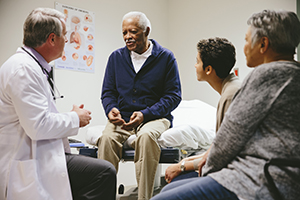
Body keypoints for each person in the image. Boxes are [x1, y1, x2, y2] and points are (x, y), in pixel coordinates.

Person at [151, 9, 300, 200]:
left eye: (247, 40)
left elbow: (226, 144)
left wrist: (198, 171)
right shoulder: (293, 75)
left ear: (263, 44)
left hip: (259, 180)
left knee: (161, 197)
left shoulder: (265, 76)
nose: (244, 47)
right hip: (281, 178)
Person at [0, 8, 116, 200]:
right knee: (103, 173)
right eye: (65, 35)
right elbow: (37, 126)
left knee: (98, 173)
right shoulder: (23, 69)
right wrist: (75, 119)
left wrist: (69, 116)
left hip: (40, 156)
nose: (68, 40)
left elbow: (36, 116)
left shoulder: (31, 66)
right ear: (52, 39)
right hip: (27, 163)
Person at [97, 11, 181, 200]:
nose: (128, 37)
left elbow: (173, 96)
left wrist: (145, 114)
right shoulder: (116, 58)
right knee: (106, 140)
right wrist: (111, 109)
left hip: (155, 117)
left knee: (145, 137)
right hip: (123, 118)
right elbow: (108, 93)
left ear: (146, 31)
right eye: (124, 33)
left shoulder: (166, 58)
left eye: (133, 32)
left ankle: (144, 198)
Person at [164, 37, 241, 183]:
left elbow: (221, 154)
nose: (195, 65)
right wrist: (182, 163)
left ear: (208, 69)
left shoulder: (230, 96)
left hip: (231, 177)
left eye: (197, 61)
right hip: (227, 169)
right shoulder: (231, 88)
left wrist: (182, 166)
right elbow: (215, 148)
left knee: (171, 188)